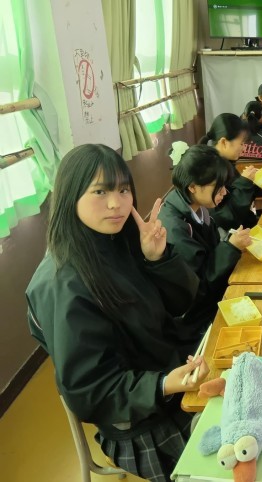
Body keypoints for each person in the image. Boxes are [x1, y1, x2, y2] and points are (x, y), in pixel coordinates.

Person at [26, 144, 209, 482]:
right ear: (70, 196)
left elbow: (182, 303)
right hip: (144, 423)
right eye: (100, 191)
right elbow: (91, 389)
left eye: (123, 190)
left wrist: (157, 259)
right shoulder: (62, 283)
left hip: (173, 373)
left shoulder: (120, 240)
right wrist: (163, 384)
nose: (117, 203)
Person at [158, 145, 252, 358]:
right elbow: (198, 285)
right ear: (193, 187)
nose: (224, 192)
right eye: (218, 188)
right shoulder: (175, 228)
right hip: (195, 320)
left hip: (212, 295)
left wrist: (230, 244)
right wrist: (231, 247)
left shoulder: (196, 208)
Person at [199, 113, 259, 230]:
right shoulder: (210, 171)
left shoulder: (225, 163)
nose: (244, 148)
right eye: (241, 143)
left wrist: (251, 182)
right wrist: (245, 182)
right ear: (224, 142)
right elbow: (226, 218)